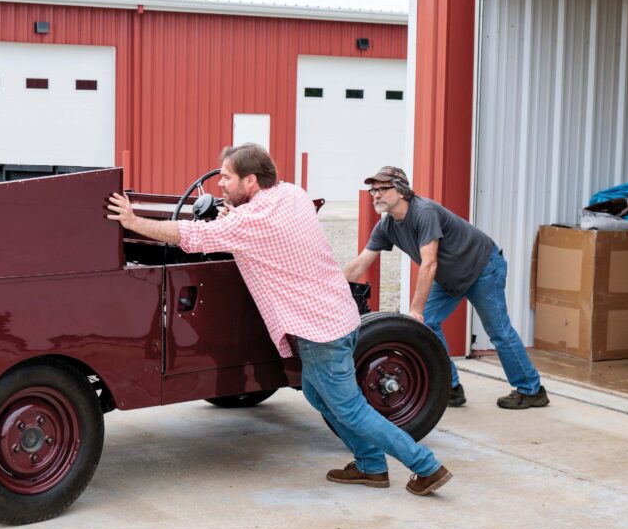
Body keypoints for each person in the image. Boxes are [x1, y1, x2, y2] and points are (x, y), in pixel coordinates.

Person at [106, 144, 452, 496]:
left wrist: (133, 222)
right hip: (339, 315)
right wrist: (232, 222)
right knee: (319, 397)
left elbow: (189, 236)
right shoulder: (292, 194)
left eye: (226, 177)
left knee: (352, 410)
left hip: (318, 331)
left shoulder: (248, 222)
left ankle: (427, 466)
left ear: (251, 180)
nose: (220, 185)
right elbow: (260, 230)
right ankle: (371, 465)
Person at [344, 166, 548, 410]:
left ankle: (531, 390)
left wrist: (415, 309)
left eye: (382, 189)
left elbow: (429, 263)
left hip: (482, 267)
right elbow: (360, 264)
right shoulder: (387, 226)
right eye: (373, 190)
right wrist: (330, 286)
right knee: (427, 325)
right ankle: (449, 387)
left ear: (401, 191)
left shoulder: (424, 212)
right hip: (450, 276)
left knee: (498, 331)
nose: (376, 195)